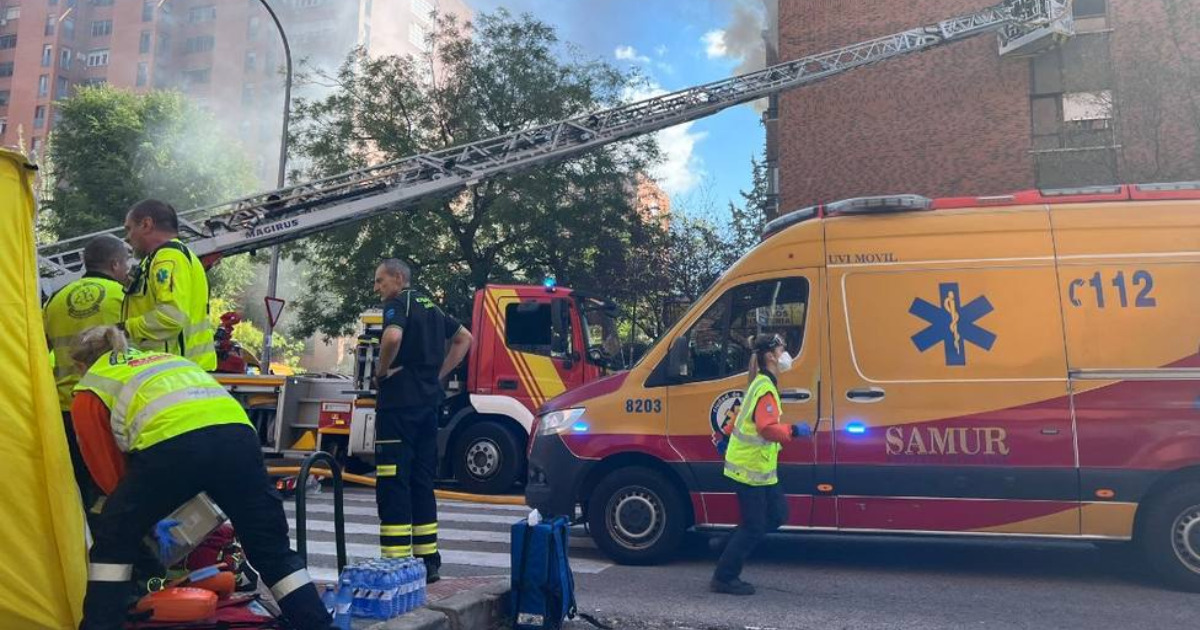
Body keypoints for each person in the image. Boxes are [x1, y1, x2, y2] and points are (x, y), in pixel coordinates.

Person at [69, 326, 331, 630]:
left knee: (114, 541)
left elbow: (108, 474)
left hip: (173, 446)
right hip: (239, 438)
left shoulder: (92, 388)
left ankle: (102, 624)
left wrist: (141, 518)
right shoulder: (165, 360)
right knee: (271, 549)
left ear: (80, 365)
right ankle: (318, 624)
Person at [372, 259, 473, 583]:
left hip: (398, 406)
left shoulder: (398, 303)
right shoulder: (431, 306)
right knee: (421, 480)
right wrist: (439, 376)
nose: (377, 288)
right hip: (428, 405)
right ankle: (428, 560)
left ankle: (397, 561)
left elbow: (391, 339)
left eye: (380, 280)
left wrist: (382, 371)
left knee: (393, 481)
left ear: (398, 278)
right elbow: (465, 339)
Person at [711, 333, 812, 596]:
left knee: (777, 515)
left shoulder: (760, 383)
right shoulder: (764, 386)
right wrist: (794, 431)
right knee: (754, 526)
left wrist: (726, 436)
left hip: (761, 468)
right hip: (750, 468)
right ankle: (725, 577)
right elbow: (766, 429)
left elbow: (740, 415)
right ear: (770, 355)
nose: (785, 354)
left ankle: (726, 544)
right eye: (781, 349)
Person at [43, 234, 131, 515]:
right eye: (126, 263)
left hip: (66, 409)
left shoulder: (56, 300)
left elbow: (42, 348)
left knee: (74, 495)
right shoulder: (124, 298)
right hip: (110, 409)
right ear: (115, 264)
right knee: (114, 491)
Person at [121, 199, 216, 370]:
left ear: (146, 224)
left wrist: (124, 329)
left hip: (173, 372)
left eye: (129, 228)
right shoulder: (162, 258)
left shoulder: (168, 258)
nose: (127, 238)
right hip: (179, 370)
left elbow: (171, 317)